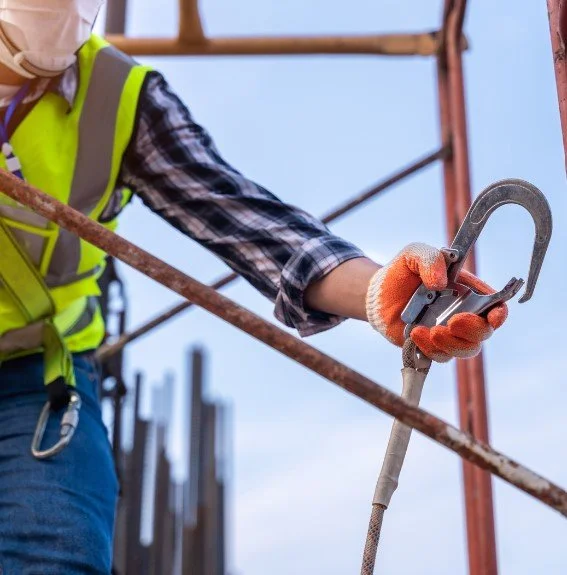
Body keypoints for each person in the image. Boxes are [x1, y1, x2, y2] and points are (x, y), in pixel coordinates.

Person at [0, 1, 507, 573]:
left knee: (52, 555)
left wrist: (380, 292)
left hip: (36, 379)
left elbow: (250, 225)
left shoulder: (117, 98)